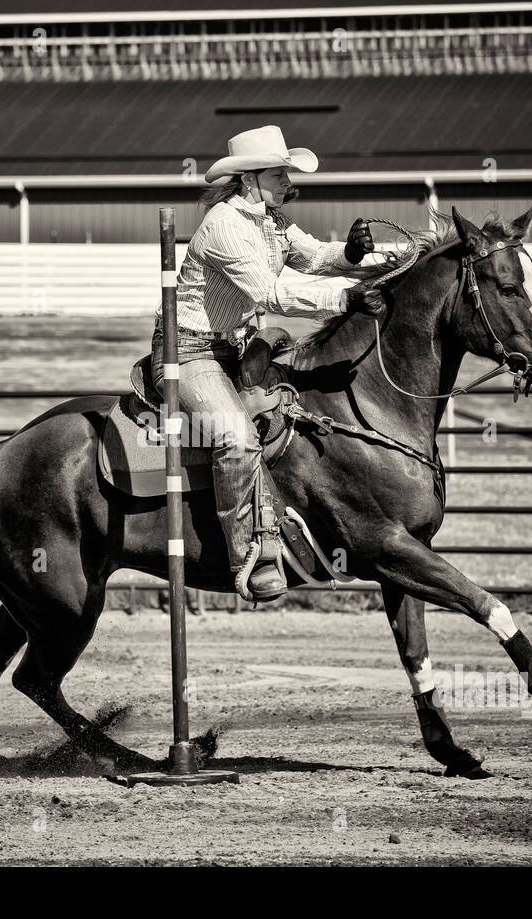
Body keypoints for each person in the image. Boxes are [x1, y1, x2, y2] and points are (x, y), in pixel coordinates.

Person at [151, 125, 387, 601]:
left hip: (237, 346)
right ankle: (251, 556)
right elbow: (271, 293)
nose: (288, 181)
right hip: (188, 352)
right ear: (248, 179)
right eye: (279, 173)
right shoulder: (224, 225)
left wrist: (353, 252)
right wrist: (347, 299)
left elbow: (316, 257)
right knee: (235, 438)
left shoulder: (271, 220)